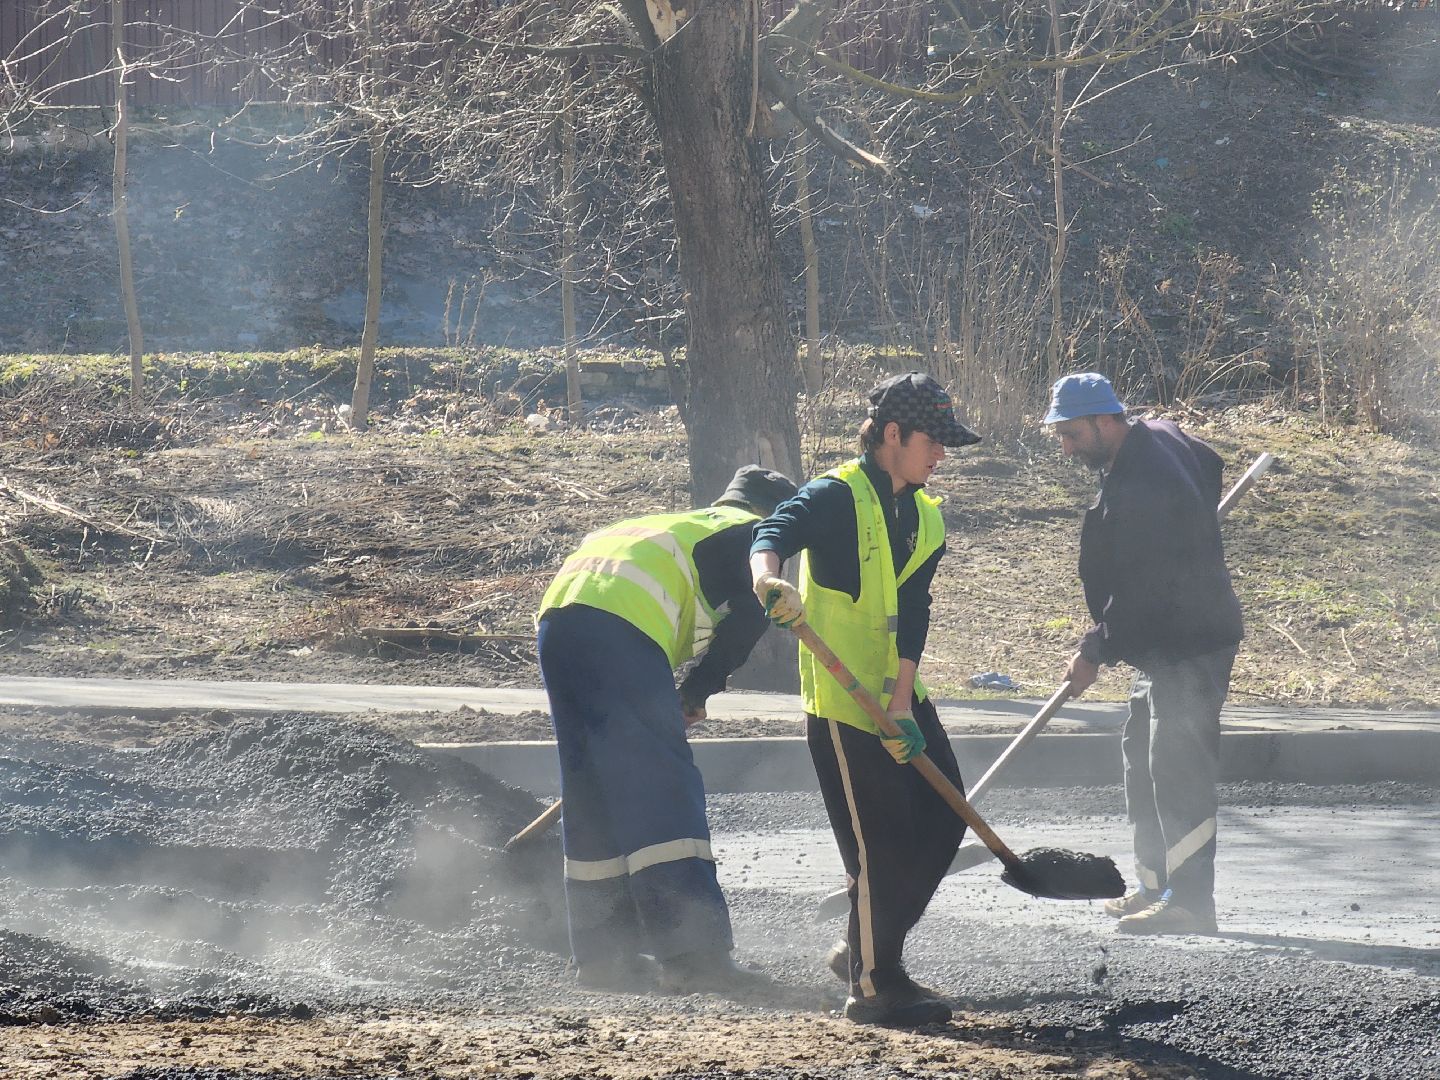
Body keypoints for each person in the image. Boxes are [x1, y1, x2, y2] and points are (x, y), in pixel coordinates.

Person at [748, 372, 980, 1027]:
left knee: (944, 818)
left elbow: (913, 608)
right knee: (879, 844)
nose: (942, 454)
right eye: (933, 441)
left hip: (897, 694)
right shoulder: (837, 494)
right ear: (892, 434)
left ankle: (863, 948)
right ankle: (875, 984)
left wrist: (904, 702)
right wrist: (770, 583)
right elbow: (772, 533)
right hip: (843, 703)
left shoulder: (926, 516)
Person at [535, 465, 798, 995]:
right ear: (774, 517)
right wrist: (696, 692)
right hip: (621, 627)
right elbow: (749, 619)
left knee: (592, 787)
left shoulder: (672, 524)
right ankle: (694, 957)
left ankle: (604, 958)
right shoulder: (753, 535)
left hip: (556, 624)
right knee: (663, 787)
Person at [1045, 372, 1242, 935]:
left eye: (1072, 434)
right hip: (1159, 642)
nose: (1067, 448)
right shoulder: (1157, 435)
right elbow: (1206, 459)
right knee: (1141, 756)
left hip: (1193, 641)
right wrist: (1194, 515)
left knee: (1178, 764)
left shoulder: (1144, 485)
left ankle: (1192, 903)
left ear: (1105, 420)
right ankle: (1156, 885)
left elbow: (1141, 588)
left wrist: (1094, 650)